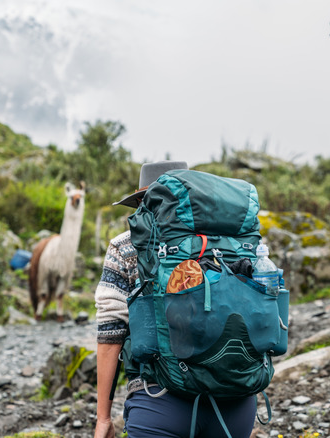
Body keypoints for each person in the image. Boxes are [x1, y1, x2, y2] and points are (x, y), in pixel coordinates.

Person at [93, 161, 258, 438]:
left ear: (140, 202)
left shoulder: (124, 245)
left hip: (159, 402)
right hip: (237, 401)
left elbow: (111, 334)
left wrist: (103, 418)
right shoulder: (239, 243)